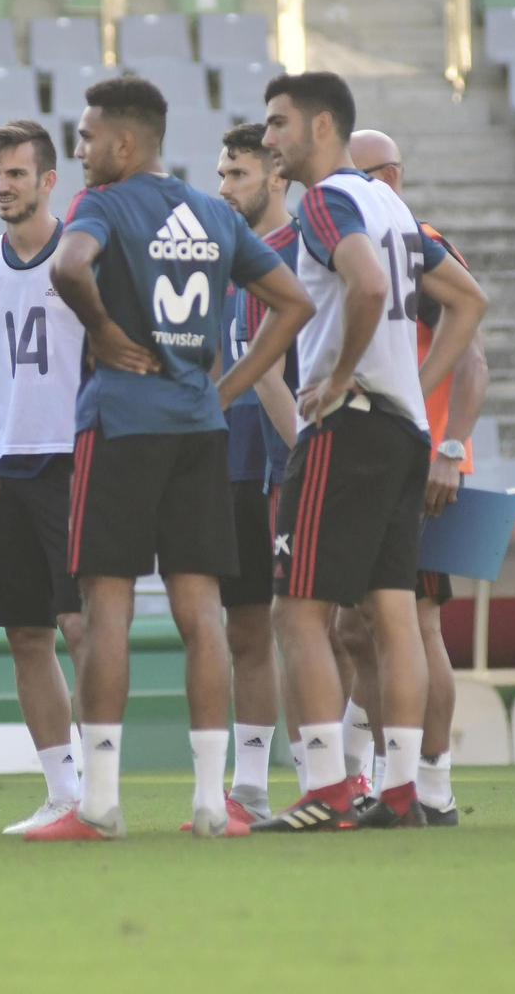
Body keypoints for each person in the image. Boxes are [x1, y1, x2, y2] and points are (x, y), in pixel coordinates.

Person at [38, 76, 313, 841]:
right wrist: (224, 389)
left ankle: (100, 803)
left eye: (88, 136)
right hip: (199, 431)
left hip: (121, 426)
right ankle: (209, 802)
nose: (80, 149)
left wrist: (102, 331)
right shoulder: (212, 213)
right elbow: (294, 302)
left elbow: (67, 267)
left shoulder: (103, 204)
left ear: (125, 143)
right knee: (203, 616)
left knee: (107, 611)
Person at [253, 72, 486, 832]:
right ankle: (403, 789)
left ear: (322, 126)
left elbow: (364, 284)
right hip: (403, 431)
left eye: (278, 122)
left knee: (298, 611)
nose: (268, 138)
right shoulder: (392, 206)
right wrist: (414, 386)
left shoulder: (326, 201)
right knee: (395, 615)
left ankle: (326, 788)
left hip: (347, 427)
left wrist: (342, 372)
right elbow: (470, 300)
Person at [344, 128, 487, 825]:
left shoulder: (417, 244)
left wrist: (450, 448)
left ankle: (431, 785)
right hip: (378, 460)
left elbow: (474, 359)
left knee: (416, 622)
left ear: (389, 178)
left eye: (356, 176)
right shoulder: (368, 245)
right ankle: (385, 772)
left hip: (421, 464)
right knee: (354, 626)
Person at [0, 119, 87, 834]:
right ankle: (63, 791)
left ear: (48, 180)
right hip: (4, 469)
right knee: (25, 632)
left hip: (73, 460)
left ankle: (103, 781)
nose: (2, 186)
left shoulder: (81, 251)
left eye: (16, 174)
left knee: (82, 624)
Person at [206, 121, 302, 824]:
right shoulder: (220, 261)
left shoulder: (306, 250)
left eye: (236, 174)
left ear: (277, 175)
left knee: (319, 626)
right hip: (230, 463)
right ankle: (251, 788)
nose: (224, 187)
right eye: (221, 173)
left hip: (290, 464)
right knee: (245, 630)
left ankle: (353, 774)